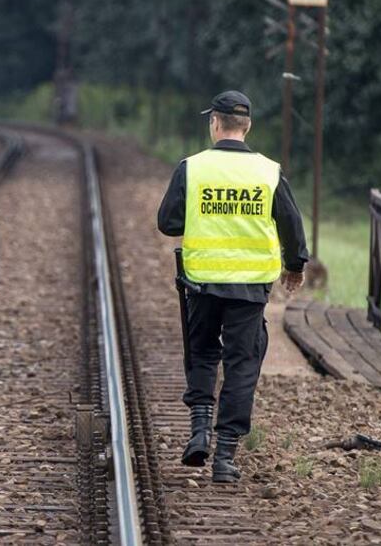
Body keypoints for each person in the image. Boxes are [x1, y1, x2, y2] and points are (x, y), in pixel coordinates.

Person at [156, 90, 308, 483]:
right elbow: (291, 223)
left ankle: (199, 431)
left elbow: (168, 223)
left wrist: (205, 216)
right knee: (243, 365)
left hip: (203, 282)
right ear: (248, 126)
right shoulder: (269, 171)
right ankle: (225, 457)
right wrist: (295, 266)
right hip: (250, 287)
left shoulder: (192, 167)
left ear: (214, 124)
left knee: (203, 352)